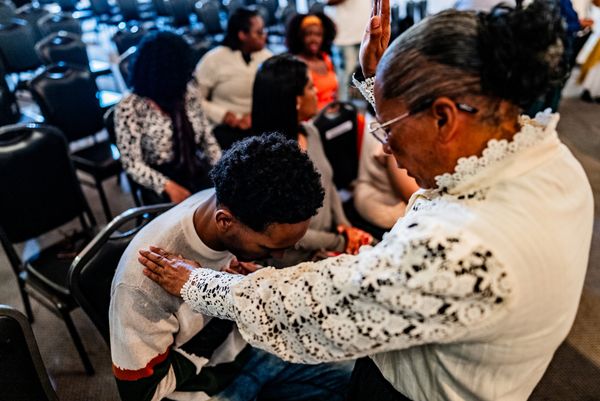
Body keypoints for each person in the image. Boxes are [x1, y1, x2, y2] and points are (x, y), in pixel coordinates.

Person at [138, 1, 594, 400]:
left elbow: (313, 305)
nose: (385, 150)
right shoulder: (548, 158)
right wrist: (381, 82)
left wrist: (200, 285)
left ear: (444, 117)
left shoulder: (464, 252)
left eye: (389, 130)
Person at [110, 133, 352, 401]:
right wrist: (223, 302)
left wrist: (250, 283)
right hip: (204, 387)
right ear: (225, 221)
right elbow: (142, 394)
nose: (280, 257)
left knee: (357, 375)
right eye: (268, 249)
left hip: (251, 349)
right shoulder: (142, 282)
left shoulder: (228, 202)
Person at [252, 54, 372, 265]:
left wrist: (347, 228)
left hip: (330, 242)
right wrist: (340, 241)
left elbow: (329, 185)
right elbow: (283, 235)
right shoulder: (267, 161)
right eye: (310, 87)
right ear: (295, 100)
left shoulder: (311, 132)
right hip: (294, 261)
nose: (317, 92)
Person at [116, 31, 221, 204]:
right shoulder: (130, 107)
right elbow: (132, 164)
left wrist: (222, 168)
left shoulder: (187, 92)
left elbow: (207, 139)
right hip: (160, 178)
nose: (188, 75)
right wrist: (167, 185)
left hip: (192, 165)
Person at [194, 7, 272, 149]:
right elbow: (195, 99)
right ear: (242, 35)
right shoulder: (213, 59)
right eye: (259, 32)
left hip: (259, 124)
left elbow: (276, 96)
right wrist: (224, 115)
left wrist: (257, 115)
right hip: (225, 128)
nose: (265, 36)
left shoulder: (267, 57)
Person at [353, 107, 419, 236]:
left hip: (367, 196)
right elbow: (409, 193)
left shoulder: (376, 121)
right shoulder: (393, 132)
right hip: (383, 211)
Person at [286, 13, 338, 110]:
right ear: (299, 37)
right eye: (308, 34)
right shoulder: (297, 64)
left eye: (318, 35)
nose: (314, 39)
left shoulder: (326, 58)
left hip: (331, 112)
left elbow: (334, 93)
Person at [324, 0, 370, 101]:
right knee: (344, 77)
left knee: (369, 75)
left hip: (365, 33)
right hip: (344, 37)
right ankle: (342, 111)